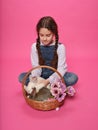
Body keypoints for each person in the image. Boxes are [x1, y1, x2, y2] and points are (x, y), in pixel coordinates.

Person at [18, 16, 78, 95]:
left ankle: (48, 86)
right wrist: (35, 78)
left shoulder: (60, 47)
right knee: (22, 77)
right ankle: (53, 88)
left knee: (73, 78)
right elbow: (36, 66)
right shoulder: (34, 46)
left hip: (56, 76)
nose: (44, 38)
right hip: (41, 76)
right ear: (38, 34)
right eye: (41, 35)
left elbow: (61, 69)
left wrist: (47, 81)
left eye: (48, 35)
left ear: (53, 34)